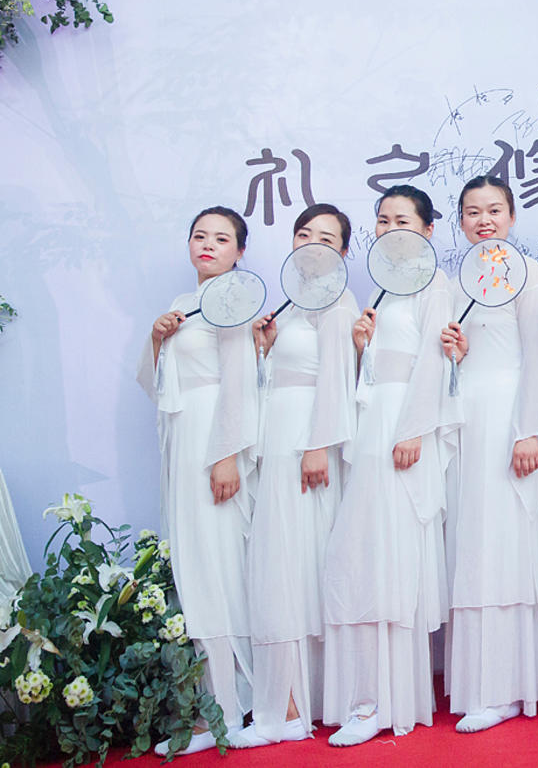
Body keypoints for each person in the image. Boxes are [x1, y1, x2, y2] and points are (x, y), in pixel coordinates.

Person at [322, 185, 453, 744]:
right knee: (363, 552)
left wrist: (413, 428)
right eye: (382, 219)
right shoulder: (379, 285)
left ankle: (388, 700)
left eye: (403, 220)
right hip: (373, 427)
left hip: (403, 430)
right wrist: (361, 345)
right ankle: (365, 695)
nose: (390, 228)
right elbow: (375, 367)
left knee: (394, 557)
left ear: (427, 229)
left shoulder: (435, 283)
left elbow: (434, 361)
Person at [231, 205, 358, 747]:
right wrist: (263, 348)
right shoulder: (289, 300)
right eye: (303, 234)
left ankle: (291, 708)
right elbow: (272, 379)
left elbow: (337, 379)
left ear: (344, 251)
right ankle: (290, 700)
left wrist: (318, 446)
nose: (311, 244)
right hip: (277, 438)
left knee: (296, 562)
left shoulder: (338, 301)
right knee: (280, 559)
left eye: (326, 238)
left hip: (307, 443)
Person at [438, 175, 538, 733]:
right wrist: (458, 354)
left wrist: (528, 430)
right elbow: (459, 355)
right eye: (472, 212)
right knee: (471, 546)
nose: (483, 220)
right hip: (468, 419)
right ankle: (475, 683)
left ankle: (506, 688)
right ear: (460, 221)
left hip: (509, 420)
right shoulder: (455, 280)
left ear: (512, 216)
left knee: (503, 546)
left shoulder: (528, 273)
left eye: (493, 210)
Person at [138, 206, 258, 755]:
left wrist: (226, 455)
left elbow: (240, 382)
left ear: (240, 251)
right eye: (199, 236)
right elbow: (158, 382)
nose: (207, 245)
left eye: (222, 238)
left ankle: (228, 709)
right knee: (194, 567)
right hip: (183, 442)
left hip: (213, 441)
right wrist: (157, 338)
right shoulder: (182, 302)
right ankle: (211, 707)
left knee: (218, 567)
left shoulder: (233, 299)